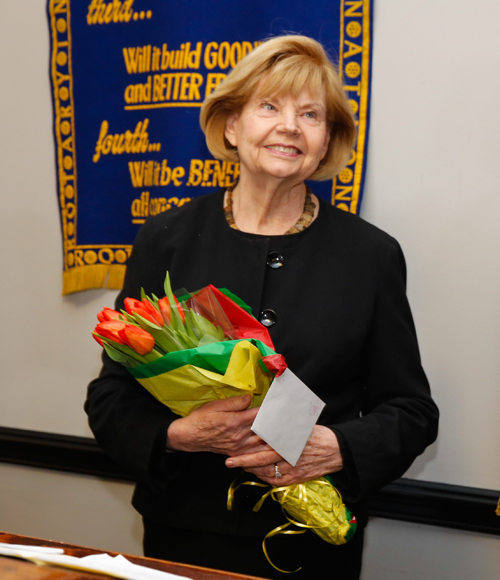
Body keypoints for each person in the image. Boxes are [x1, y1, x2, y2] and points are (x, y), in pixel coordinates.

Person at [85, 35, 439, 579]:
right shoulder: (167, 240)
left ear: (327, 142)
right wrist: (179, 435)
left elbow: (411, 412)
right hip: (183, 533)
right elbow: (112, 397)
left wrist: (338, 445)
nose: (290, 126)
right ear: (231, 125)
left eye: (311, 114)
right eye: (269, 106)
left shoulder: (370, 255)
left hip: (310, 548)